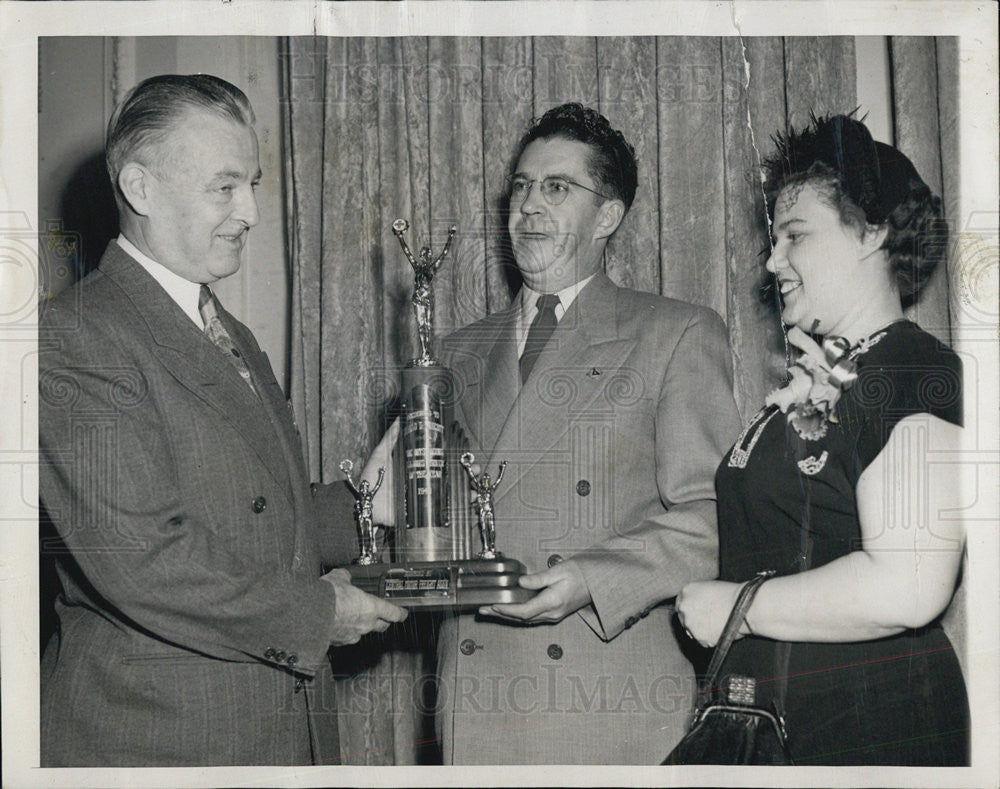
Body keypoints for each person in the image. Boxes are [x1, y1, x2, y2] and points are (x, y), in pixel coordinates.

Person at [38, 74, 406, 767]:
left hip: (271, 731)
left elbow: (258, 515)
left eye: (255, 184)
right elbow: (146, 559)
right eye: (225, 186)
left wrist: (364, 506)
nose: (251, 212)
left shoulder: (225, 327)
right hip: (155, 741)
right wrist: (321, 613)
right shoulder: (75, 337)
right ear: (141, 189)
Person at [432, 103, 742, 764]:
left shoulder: (675, 333)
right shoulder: (454, 353)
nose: (529, 206)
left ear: (608, 216)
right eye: (520, 186)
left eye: (556, 187)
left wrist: (591, 579)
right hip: (474, 709)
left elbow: (714, 519)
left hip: (604, 705)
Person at [675, 114, 968, 766]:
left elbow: (910, 583)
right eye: (773, 240)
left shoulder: (911, 368)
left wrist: (741, 606)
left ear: (872, 233)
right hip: (786, 725)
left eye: (796, 236)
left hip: (870, 728)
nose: (772, 260)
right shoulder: (833, 379)